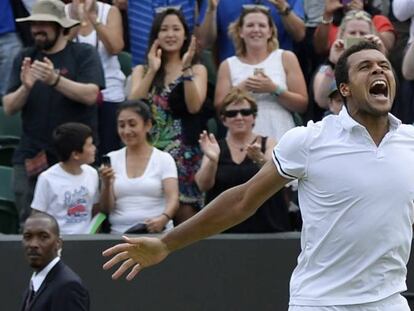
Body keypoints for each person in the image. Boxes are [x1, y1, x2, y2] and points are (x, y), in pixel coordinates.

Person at [103, 41, 414, 311]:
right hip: (322, 302)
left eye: (384, 66)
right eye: (366, 67)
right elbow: (242, 199)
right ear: (344, 88)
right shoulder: (309, 141)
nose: (378, 71)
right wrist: (167, 243)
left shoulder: (410, 143)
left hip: (389, 300)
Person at [2, 0, 105, 228]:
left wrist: (55, 80)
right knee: (30, 228)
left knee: (81, 223)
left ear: (62, 27)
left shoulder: (83, 53)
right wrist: (26, 87)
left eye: (44, 24)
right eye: (34, 24)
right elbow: (9, 106)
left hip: (76, 157)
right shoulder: (25, 57)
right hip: (32, 157)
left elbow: (91, 94)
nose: (37, 29)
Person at [128, 7, 208, 223]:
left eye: (176, 29)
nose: (170, 34)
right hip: (149, 152)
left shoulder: (198, 69)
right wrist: (153, 69)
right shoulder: (141, 70)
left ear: (185, 35)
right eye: (164, 29)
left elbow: (194, 106)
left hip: (184, 155)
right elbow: (133, 105)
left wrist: (186, 69)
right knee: (152, 213)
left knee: (184, 216)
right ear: (156, 35)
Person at [195, 88, 290, 232]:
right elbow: (203, 185)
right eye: (232, 113)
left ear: (253, 117)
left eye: (245, 112)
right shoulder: (215, 147)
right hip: (225, 225)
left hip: (267, 225)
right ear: (223, 119)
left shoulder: (269, 143)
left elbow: (278, 177)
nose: (239, 117)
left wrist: (258, 157)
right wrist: (213, 161)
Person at [214, 5, 307, 141]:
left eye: (262, 26)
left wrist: (274, 89)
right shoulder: (228, 64)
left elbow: (302, 105)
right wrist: (241, 89)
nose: (256, 30)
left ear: (270, 32)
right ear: (240, 31)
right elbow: (219, 108)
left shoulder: (286, 58)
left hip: (280, 128)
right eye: (250, 25)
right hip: (241, 133)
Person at [99, 100, 179, 234]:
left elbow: (173, 199)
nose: (126, 131)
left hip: (157, 233)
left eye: (132, 124)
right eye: (121, 125)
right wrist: (106, 184)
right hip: (120, 234)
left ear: (147, 125)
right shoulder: (111, 158)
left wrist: (163, 218)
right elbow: (106, 208)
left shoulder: (164, 159)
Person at [65, 0, 125, 158]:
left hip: (109, 91)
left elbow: (116, 48)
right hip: (75, 92)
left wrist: (94, 19)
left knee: (107, 153)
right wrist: (76, 22)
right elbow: (60, 50)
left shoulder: (110, 11)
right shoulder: (62, 12)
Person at [31, 123, 100, 235]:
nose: (94, 148)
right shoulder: (47, 178)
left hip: (86, 241)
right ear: (76, 154)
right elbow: (38, 214)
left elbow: (95, 208)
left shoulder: (92, 174)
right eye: (90, 145)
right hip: (58, 240)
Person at [313, 9, 386, 111]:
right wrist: (333, 63)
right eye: (352, 33)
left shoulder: (381, 67)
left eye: (362, 33)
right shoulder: (327, 67)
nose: (357, 37)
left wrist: (381, 58)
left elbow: (390, 95)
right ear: (342, 35)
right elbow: (321, 101)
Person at [198, 0, 305, 63]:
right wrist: (211, 11)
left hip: (278, 74)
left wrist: (283, 9)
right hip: (233, 76)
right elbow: (203, 41)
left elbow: (299, 35)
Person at [21, 212, 89, 310]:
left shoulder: (68, 287)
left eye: (43, 237)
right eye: (28, 237)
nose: (33, 244)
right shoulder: (34, 284)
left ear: (58, 243)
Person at [313, 0, 395, 55]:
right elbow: (320, 48)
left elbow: (387, 47)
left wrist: (363, 16)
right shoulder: (331, 21)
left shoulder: (378, 19)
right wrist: (327, 14)